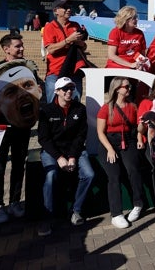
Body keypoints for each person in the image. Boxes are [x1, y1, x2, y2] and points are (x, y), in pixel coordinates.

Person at [37, 77, 94, 236]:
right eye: (65, 89)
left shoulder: (80, 109)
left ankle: (76, 210)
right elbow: (43, 139)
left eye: (71, 88)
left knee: (89, 174)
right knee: (50, 177)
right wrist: (59, 157)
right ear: (56, 91)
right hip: (53, 152)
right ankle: (46, 218)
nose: (69, 91)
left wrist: (73, 156)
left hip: (74, 151)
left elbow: (80, 136)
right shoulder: (46, 110)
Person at [0, 57, 42, 224]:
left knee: (19, 163)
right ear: (6, 49)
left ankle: (15, 201)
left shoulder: (27, 67)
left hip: (21, 128)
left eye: (26, 86)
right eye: (17, 46)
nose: (21, 49)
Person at [96, 77, 144, 229]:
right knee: (114, 175)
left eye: (129, 86)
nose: (129, 89)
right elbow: (100, 132)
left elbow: (137, 127)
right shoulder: (106, 108)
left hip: (128, 141)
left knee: (133, 169)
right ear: (117, 88)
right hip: (109, 143)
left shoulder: (133, 107)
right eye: (126, 86)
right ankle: (116, 214)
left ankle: (138, 204)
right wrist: (110, 149)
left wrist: (139, 138)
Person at [43, 0, 88, 102]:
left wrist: (78, 42)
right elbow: (51, 49)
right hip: (55, 72)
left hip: (74, 70)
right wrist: (68, 40)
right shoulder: (50, 27)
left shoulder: (75, 25)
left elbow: (84, 47)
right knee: (53, 104)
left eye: (69, 7)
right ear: (56, 11)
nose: (68, 10)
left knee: (75, 103)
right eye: (64, 7)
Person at [106, 6, 148, 70]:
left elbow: (142, 55)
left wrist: (141, 64)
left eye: (136, 17)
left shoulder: (140, 33)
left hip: (134, 66)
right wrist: (130, 65)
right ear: (125, 20)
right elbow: (111, 55)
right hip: (117, 66)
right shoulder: (115, 32)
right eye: (134, 18)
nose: (136, 20)